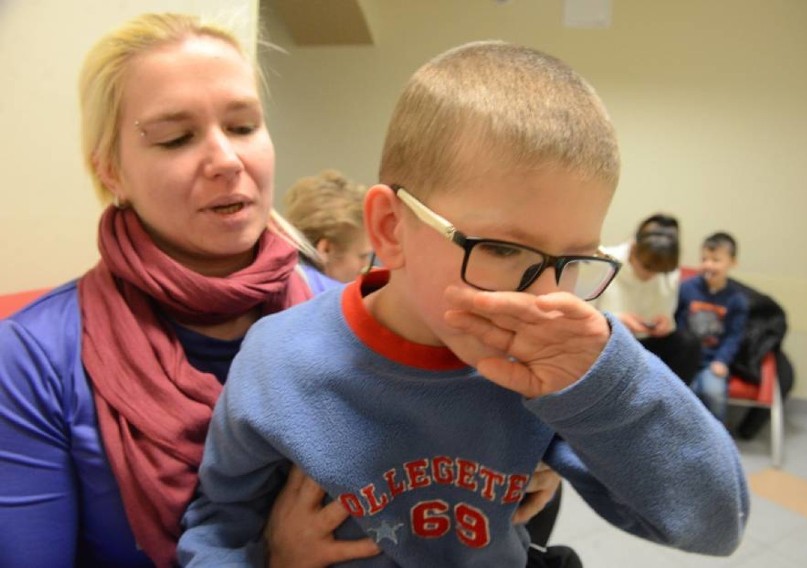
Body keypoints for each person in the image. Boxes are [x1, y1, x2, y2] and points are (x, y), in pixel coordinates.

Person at [0, 15, 558, 568]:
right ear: (111, 170)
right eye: (176, 138)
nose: (226, 160)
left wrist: (518, 453)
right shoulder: (33, 359)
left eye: (243, 126)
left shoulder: (351, 314)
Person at [179, 41, 749, 566]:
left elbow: (715, 525)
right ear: (390, 228)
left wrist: (606, 385)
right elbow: (217, 529)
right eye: (501, 248)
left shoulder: (549, 371)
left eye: (574, 261)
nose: (544, 299)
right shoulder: (278, 363)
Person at [595, 214, 702, 382]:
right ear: (633, 247)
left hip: (647, 343)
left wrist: (666, 324)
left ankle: (671, 402)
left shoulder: (670, 272)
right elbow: (580, 314)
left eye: (659, 271)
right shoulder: (604, 261)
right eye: (646, 267)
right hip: (607, 340)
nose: (651, 275)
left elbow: (667, 315)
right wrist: (616, 320)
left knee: (689, 344)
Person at [676, 232, 748, 421]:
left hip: (712, 361)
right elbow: (677, 322)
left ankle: (716, 439)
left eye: (716, 260)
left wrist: (722, 360)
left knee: (712, 391)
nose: (708, 264)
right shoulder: (686, 288)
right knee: (684, 394)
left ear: (732, 263)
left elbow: (735, 335)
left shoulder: (737, 300)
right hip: (686, 358)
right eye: (704, 259)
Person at [282, 169, 372, 293]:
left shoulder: (278, 284)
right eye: (363, 256)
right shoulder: (337, 302)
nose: (367, 267)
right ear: (326, 249)